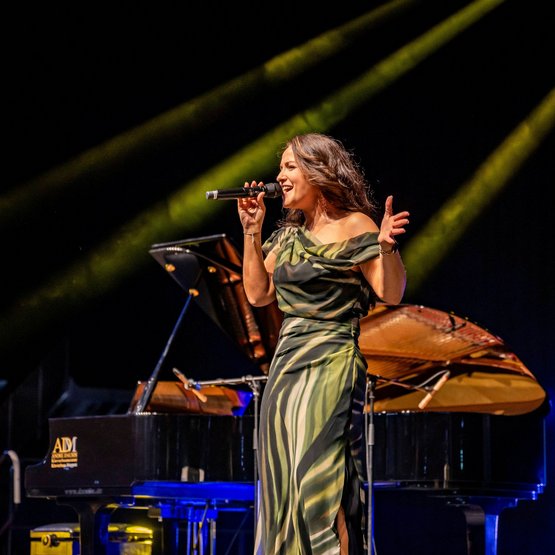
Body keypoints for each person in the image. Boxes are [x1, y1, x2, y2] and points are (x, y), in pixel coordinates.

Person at [237, 132, 409, 554]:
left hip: (332, 360)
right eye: (280, 168)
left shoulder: (357, 225)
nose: (280, 176)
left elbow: (391, 293)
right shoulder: (289, 237)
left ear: (318, 171)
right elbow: (258, 294)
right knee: (283, 484)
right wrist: (251, 232)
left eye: (289, 166)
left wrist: (387, 248)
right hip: (286, 367)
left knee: (321, 482)